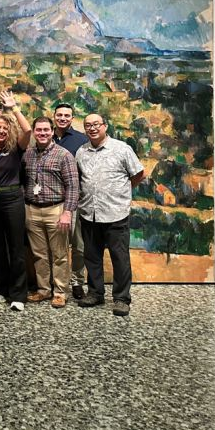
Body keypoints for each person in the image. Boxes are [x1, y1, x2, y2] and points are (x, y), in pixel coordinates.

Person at [76, 113, 144, 317]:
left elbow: (139, 174)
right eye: (88, 125)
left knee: (119, 258)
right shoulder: (81, 151)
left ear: (105, 126)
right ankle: (95, 293)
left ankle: (122, 299)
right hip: (89, 213)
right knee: (92, 257)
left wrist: (121, 192)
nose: (92, 128)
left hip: (116, 213)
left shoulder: (122, 149)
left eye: (96, 124)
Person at [0, 92, 32, 312]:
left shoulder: (15, 148)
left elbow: (28, 130)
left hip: (13, 199)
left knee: (16, 248)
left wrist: (13, 108)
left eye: (5, 128)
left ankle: (18, 294)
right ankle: (1, 289)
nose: (1, 131)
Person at [22, 117, 79, 309]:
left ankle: (60, 292)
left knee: (60, 254)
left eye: (46, 130)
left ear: (52, 131)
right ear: (34, 132)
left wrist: (67, 212)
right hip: (32, 209)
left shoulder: (64, 155)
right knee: (39, 254)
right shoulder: (28, 154)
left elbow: (72, 186)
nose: (42, 133)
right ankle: (43, 290)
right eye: (38, 130)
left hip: (56, 209)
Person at [53, 102, 89, 299]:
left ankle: (77, 281)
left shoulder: (81, 140)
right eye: (60, 115)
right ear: (54, 116)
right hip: (52, 200)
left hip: (75, 200)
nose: (63, 118)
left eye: (67, 115)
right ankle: (56, 282)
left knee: (78, 245)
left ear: (72, 118)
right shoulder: (45, 137)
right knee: (57, 245)